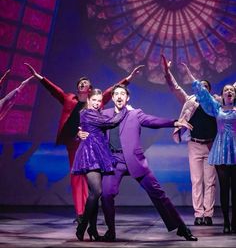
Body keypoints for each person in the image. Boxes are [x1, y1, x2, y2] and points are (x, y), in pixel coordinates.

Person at [24, 62, 144, 223]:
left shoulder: (96, 102)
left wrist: (129, 78)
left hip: (92, 145)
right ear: (78, 87)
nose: (82, 84)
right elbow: (55, 91)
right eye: (80, 83)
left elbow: (111, 90)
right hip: (74, 143)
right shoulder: (69, 99)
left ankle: (88, 212)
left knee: (92, 180)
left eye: (85, 83)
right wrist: (39, 77)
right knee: (76, 177)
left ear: (89, 89)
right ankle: (80, 213)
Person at [99, 84, 198, 241]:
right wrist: (80, 132)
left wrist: (174, 122)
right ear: (112, 98)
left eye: (122, 94)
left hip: (134, 161)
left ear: (127, 98)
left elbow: (153, 121)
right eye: (116, 94)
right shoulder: (104, 114)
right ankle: (110, 231)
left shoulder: (135, 114)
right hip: (114, 161)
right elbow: (92, 127)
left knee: (158, 193)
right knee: (106, 194)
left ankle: (181, 228)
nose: (119, 96)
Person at [161, 55, 217, 227]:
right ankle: (198, 214)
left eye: (206, 87)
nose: (202, 89)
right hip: (194, 144)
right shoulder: (190, 101)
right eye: (200, 86)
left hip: (211, 145)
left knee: (210, 182)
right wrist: (167, 73)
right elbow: (175, 88)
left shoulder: (216, 104)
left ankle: (208, 214)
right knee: (196, 181)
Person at [182, 63, 236, 234]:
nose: (229, 92)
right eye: (226, 90)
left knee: (232, 188)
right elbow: (203, 94)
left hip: (234, 149)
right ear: (220, 95)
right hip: (219, 148)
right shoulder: (216, 107)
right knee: (219, 185)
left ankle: (233, 221)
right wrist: (190, 75)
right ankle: (225, 221)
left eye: (231, 90)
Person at [71, 88, 127, 241]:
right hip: (90, 154)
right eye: (93, 100)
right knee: (97, 192)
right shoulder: (87, 113)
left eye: (99, 101)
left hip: (100, 153)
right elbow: (111, 122)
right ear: (88, 100)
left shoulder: (96, 113)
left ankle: (93, 230)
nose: (96, 103)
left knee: (93, 196)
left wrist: (78, 134)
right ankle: (82, 225)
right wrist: (125, 110)